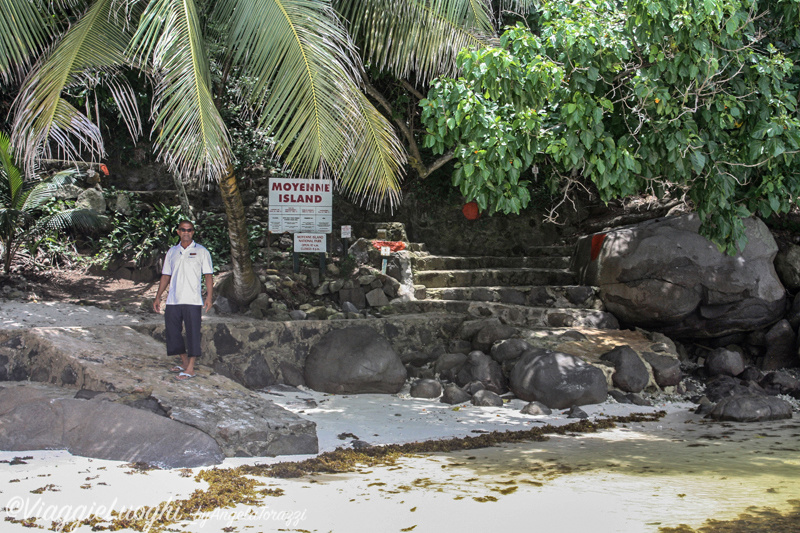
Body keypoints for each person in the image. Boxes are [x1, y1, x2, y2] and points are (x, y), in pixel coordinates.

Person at [153, 220, 213, 381]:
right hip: (173, 300)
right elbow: (166, 275)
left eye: (190, 230)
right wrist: (158, 297)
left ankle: (191, 368)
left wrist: (209, 297)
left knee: (193, 333)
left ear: (193, 232)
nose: (186, 232)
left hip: (193, 300)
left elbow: (208, 275)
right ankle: (184, 362)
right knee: (173, 332)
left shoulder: (202, 252)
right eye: (183, 230)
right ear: (178, 232)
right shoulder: (172, 252)